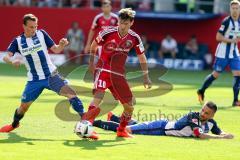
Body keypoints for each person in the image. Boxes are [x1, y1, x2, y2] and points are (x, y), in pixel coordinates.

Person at [0, 14, 85, 133]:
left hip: (51, 75)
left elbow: (56, 49)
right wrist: (12, 60)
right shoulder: (18, 41)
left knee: (71, 94)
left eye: (35, 26)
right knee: (23, 107)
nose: (34, 30)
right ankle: (14, 124)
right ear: (24, 26)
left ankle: (87, 122)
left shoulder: (42, 34)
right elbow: (6, 57)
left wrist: (61, 45)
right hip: (34, 80)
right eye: (30, 27)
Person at [81, 8, 152, 139]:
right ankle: (87, 128)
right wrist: (91, 63)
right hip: (103, 69)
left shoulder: (135, 38)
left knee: (129, 107)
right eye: (120, 22)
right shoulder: (107, 32)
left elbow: (142, 57)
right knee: (99, 96)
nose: (122, 26)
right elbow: (93, 46)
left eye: (126, 23)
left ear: (131, 23)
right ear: (118, 21)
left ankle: (121, 130)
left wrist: (146, 77)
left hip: (118, 75)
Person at [93, 101, 234, 139]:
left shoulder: (211, 123)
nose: (203, 113)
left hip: (162, 131)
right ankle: (93, 123)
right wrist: (221, 139)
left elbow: (218, 131)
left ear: (212, 116)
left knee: (137, 126)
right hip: (160, 127)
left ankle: (113, 117)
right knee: (126, 130)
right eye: (203, 110)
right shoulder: (194, 117)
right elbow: (200, 135)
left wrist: (225, 134)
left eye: (207, 113)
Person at [197, 0, 240, 106]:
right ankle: (201, 90)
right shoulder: (226, 21)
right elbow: (218, 37)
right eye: (233, 8)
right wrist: (232, 41)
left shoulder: (239, 22)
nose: (235, 10)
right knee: (215, 75)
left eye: (237, 8)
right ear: (230, 9)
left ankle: (235, 100)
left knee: (238, 75)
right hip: (223, 53)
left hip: (234, 52)